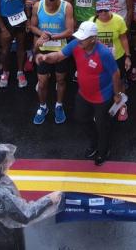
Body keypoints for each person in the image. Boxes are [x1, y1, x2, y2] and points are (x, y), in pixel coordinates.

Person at [37, 20, 123, 165]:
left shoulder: (104, 53)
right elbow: (59, 56)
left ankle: (103, 150)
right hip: (84, 94)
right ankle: (94, 141)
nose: (79, 40)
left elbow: (116, 74)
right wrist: (45, 57)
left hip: (102, 97)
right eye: (79, 37)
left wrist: (117, 94)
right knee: (81, 119)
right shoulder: (76, 44)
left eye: (83, 38)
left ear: (93, 39)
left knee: (102, 125)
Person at [0, 144, 61, 250]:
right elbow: (26, 214)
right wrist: (50, 199)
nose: (8, 163)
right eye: (4, 161)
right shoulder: (1, 195)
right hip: (6, 237)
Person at [30, 0, 75, 126]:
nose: (50, 7)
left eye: (53, 5)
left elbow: (70, 31)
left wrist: (52, 37)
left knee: (60, 79)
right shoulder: (38, 6)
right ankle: (43, 106)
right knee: (42, 82)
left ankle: (59, 105)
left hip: (61, 50)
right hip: (43, 49)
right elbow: (32, 26)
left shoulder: (67, 7)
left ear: (58, 0)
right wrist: (41, 34)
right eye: (48, 4)